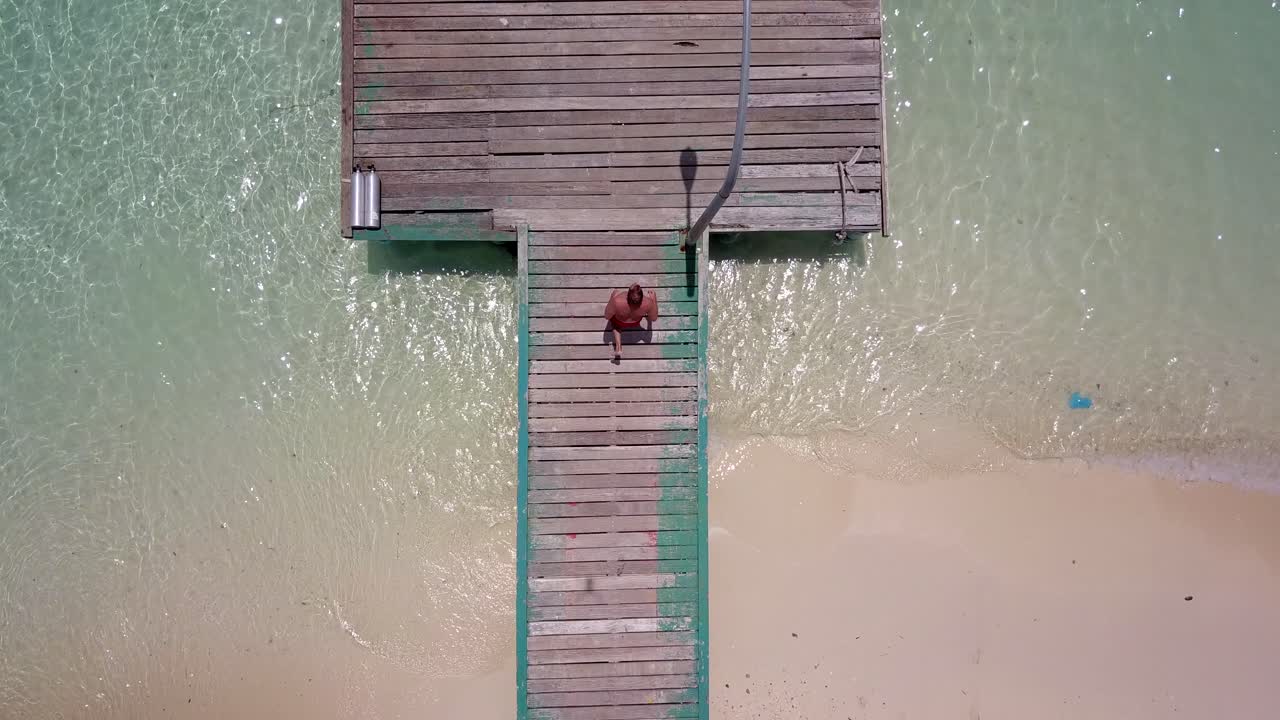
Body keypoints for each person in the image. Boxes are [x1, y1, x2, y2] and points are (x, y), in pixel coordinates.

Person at [604, 283, 659, 359]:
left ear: (628, 296)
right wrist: (653, 300)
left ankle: (618, 346)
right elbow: (654, 318)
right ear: (642, 297)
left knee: (614, 324)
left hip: (620, 321)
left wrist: (612, 297)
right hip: (635, 322)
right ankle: (618, 347)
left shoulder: (617, 301)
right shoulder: (648, 302)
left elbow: (607, 316)